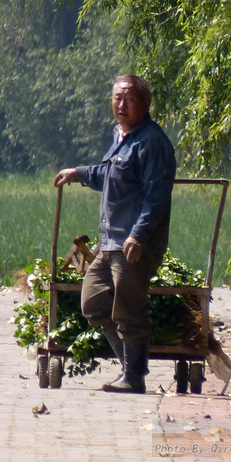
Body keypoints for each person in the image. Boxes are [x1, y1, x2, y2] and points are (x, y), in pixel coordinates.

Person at [53, 74, 176, 393]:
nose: (121, 105)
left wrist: (139, 235)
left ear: (146, 104)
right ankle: (129, 367)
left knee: (129, 309)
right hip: (109, 242)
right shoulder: (122, 136)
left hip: (133, 244)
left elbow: (156, 196)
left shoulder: (153, 143)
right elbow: (109, 174)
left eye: (129, 99)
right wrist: (78, 173)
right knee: (93, 303)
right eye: (117, 98)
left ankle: (133, 377)